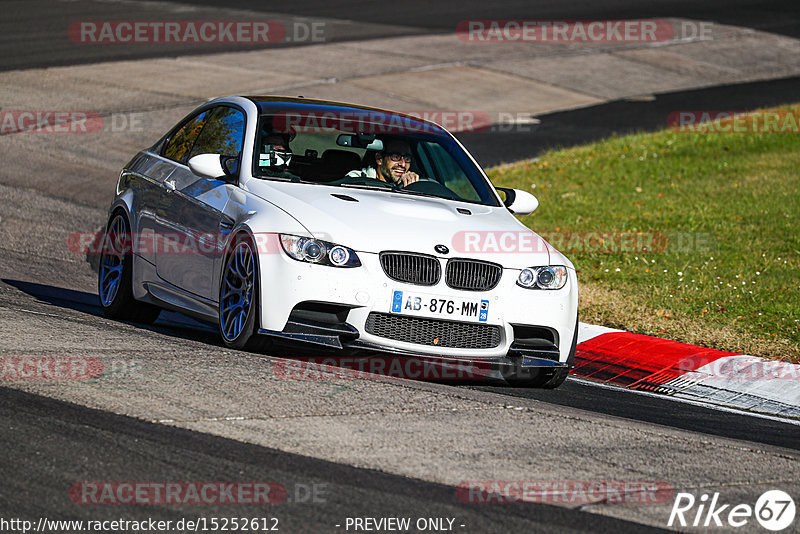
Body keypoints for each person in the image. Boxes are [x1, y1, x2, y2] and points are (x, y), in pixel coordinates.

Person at [347, 138, 420, 187]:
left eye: (407, 158)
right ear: (379, 159)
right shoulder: (357, 179)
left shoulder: (410, 183)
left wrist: (411, 186)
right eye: (395, 157)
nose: (403, 164)